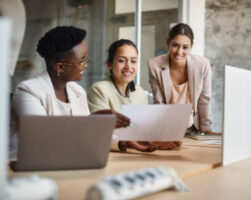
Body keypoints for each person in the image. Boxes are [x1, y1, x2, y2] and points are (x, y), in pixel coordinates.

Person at [9, 26, 149, 158]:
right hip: (28, 173)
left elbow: (87, 137)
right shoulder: (27, 92)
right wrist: (90, 122)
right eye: (81, 61)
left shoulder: (77, 92)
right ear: (61, 67)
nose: (86, 65)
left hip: (66, 163)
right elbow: (44, 139)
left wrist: (122, 142)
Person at [148, 23, 220, 137]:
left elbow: (204, 99)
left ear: (191, 46)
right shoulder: (154, 64)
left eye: (185, 47)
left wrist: (207, 129)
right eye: (175, 45)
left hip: (193, 128)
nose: (179, 52)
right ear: (168, 43)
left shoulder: (202, 64)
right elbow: (159, 101)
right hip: (167, 129)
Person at [88, 39, 159, 152]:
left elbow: (143, 129)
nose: (128, 66)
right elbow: (100, 133)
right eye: (122, 60)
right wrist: (135, 143)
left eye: (133, 61)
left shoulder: (140, 92)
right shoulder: (99, 90)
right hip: (109, 153)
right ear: (109, 64)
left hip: (136, 153)